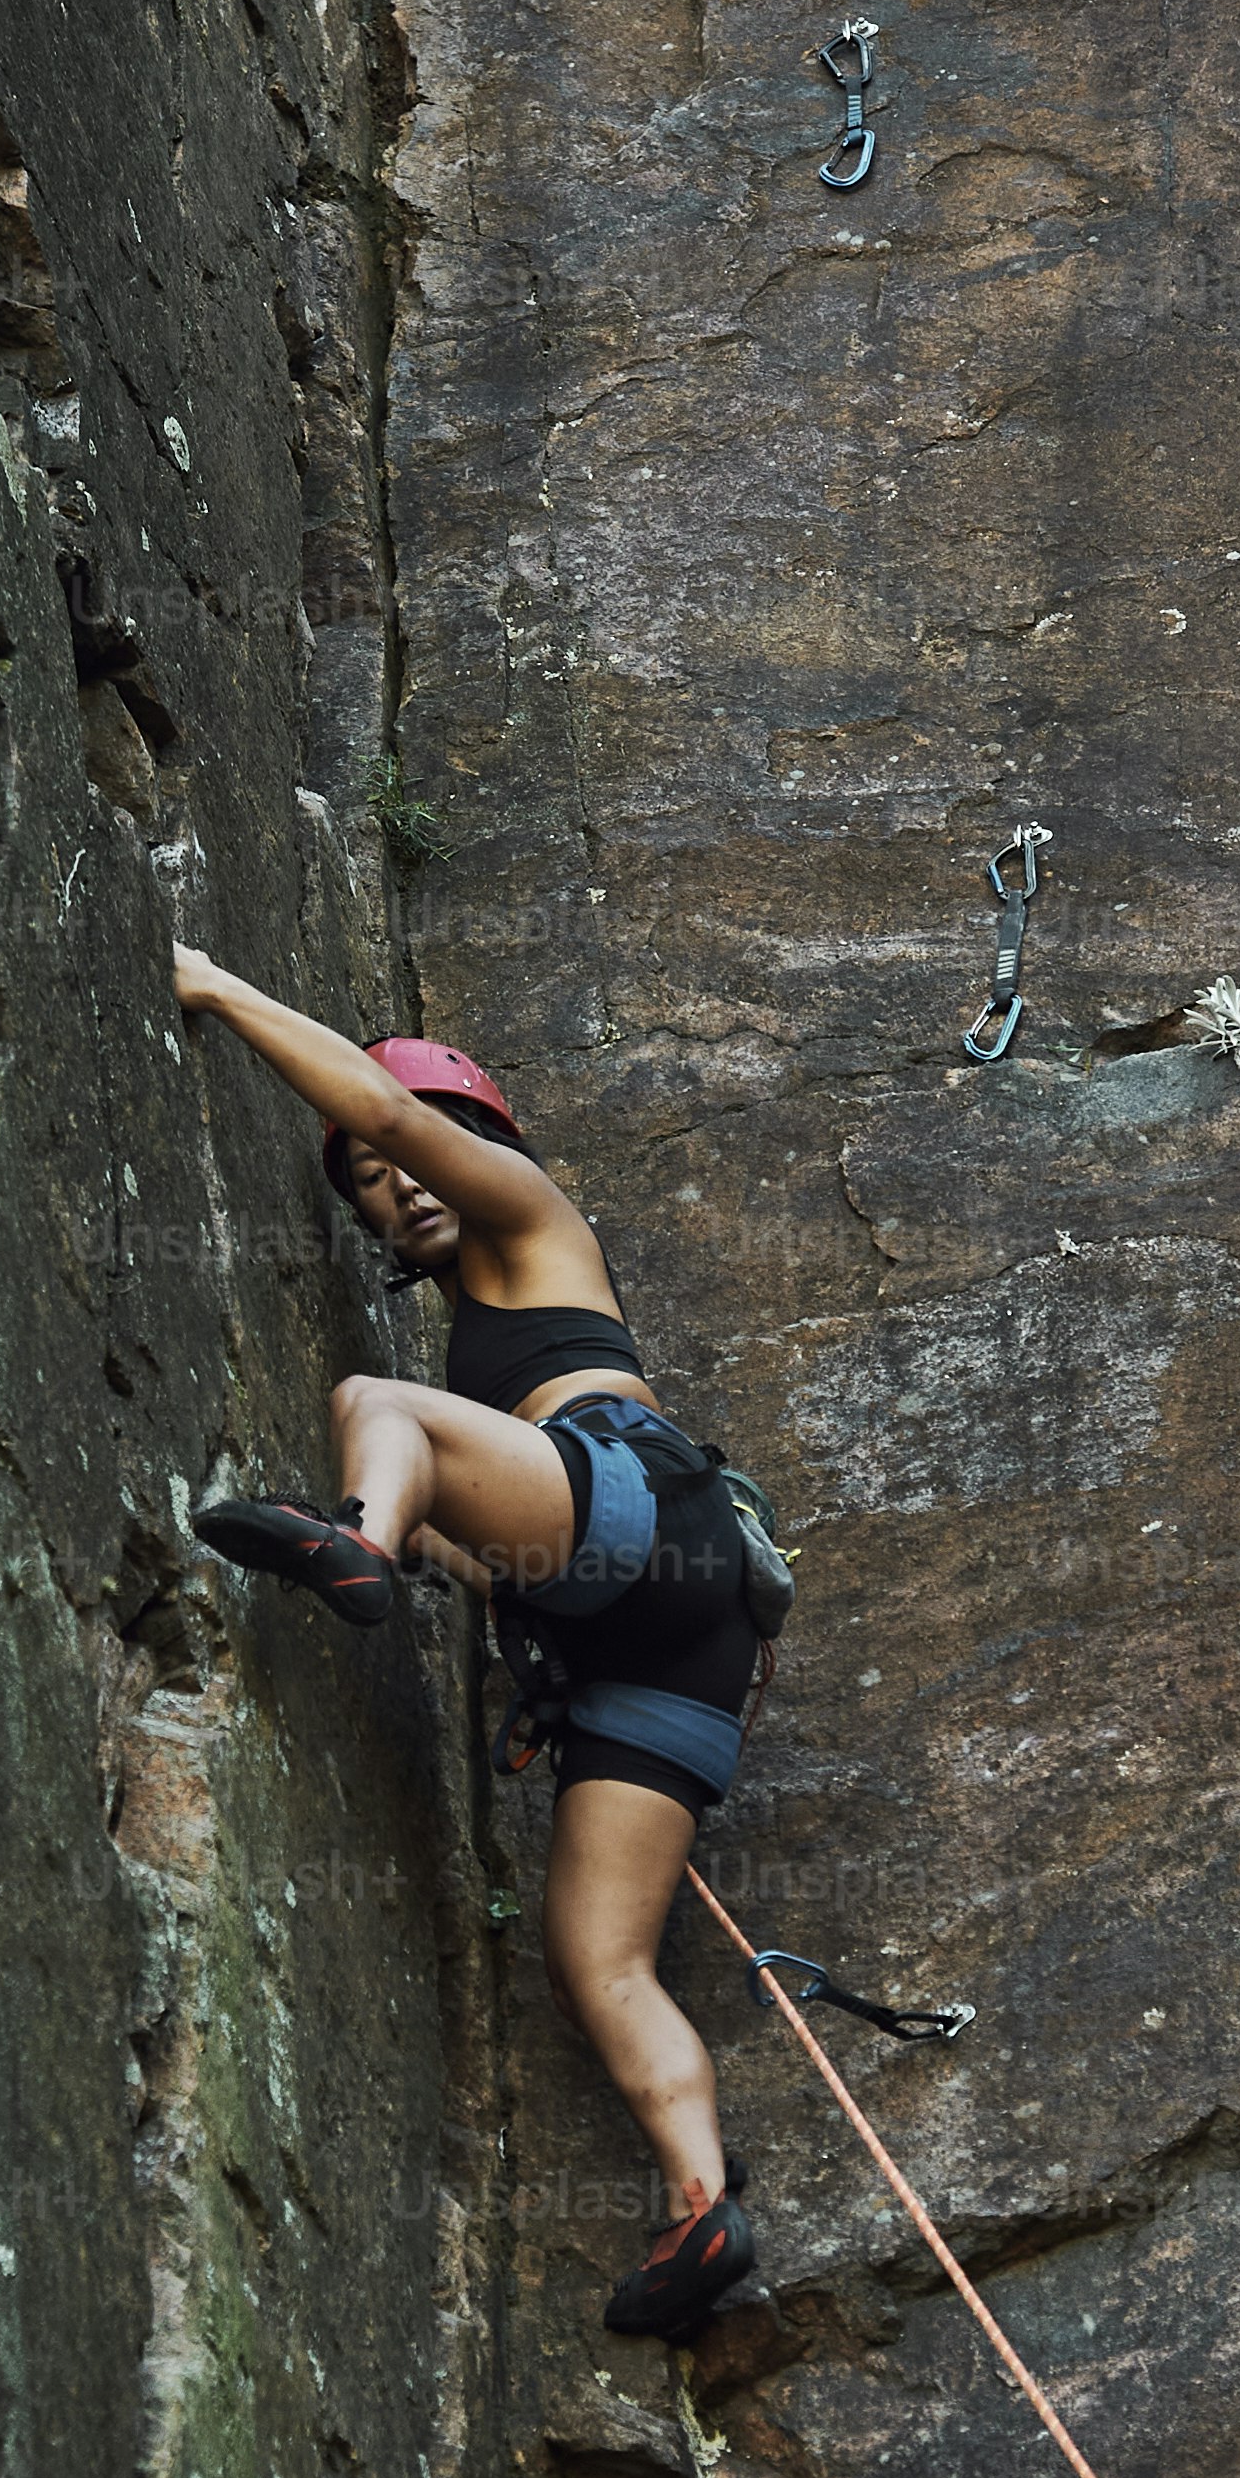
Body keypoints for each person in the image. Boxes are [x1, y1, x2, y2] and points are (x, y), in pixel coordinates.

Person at [172, 944, 767, 2338]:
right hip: (665, 1639)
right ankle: (701, 2207)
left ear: (485, 1140)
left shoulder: (536, 1219)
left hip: (637, 1517)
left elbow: (391, 1116)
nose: (401, 1188)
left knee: (377, 1401)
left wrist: (218, 985)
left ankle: (353, 1538)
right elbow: (487, 1531)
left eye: (419, 1162)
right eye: (376, 1197)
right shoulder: (493, 1335)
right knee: (596, 1957)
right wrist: (455, 1567)